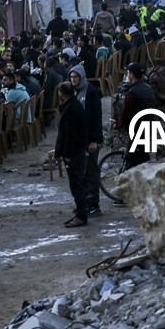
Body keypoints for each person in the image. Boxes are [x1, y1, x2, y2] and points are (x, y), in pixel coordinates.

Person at [68, 65, 104, 217]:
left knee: (90, 172)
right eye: (71, 77)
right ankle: (85, 203)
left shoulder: (91, 92)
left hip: (90, 140)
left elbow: (96, 117)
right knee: (80, 173)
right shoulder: (73, 92)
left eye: (76, 77)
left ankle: (94, 204)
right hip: (78, 141)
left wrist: (94, 140)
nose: (73, 80)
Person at [55, 82, 88, 227]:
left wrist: (67, 154)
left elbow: (70, 135)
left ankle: (81, 215)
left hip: (74, 153)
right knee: (78, 183)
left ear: (61, 93)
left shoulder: (70, 109)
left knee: (76, 185)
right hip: (77, 150)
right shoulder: (74, 105)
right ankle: (80, 212)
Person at [115, 62, 157, 171]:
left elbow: (126, 112)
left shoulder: (132, 92)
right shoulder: (147, 88)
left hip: (138, 129)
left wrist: (118, 124)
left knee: (131, 158)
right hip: (148, 126)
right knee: (142, 157)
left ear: (132, 75)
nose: (127, 75)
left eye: (128, 73)